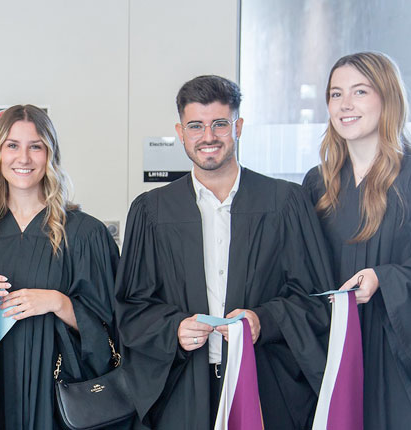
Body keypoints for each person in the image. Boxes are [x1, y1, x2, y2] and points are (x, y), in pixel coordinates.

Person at [115, 75, 333, 429]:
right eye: (196, 126)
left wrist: (265, 320)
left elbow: (315, 299)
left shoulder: (284, 202)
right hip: (183, 389)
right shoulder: (152, 211)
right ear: (181, 131)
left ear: (238, 127)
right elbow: (132, 308)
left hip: (264, 385)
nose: (208, 136)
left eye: (219, 124)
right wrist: (174, 329)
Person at [303, 52, 411, 429]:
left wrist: (384, 277)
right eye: (336, 94)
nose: (345, 104)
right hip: (334, 352)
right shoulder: (318, 185)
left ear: (388, 98)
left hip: (400, 360)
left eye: (360, 91)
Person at [0, 104, 121, 429]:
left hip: (60, 393)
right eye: (12, 146)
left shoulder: (85, 234)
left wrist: (58, 303)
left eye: (36, 147)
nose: (24, 158)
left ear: (50, 155)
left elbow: (114, 328)